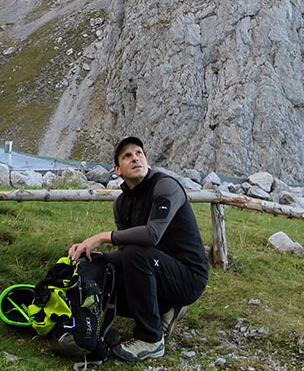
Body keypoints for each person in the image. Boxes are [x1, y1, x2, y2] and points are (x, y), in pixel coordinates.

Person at [68, 135, 209, 362]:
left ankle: (151, 339)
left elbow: (152, 235)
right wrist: (96, 258)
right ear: (117, 169)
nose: (135, 158)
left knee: (136, 254)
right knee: (104, 267)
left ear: (146, 159)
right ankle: (166, 309)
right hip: (156, 270)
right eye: (127, 156)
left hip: (188, 277)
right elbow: (124, 255)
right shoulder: (121, 203)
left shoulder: (166, 186)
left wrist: (104, 237)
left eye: (139, 153)